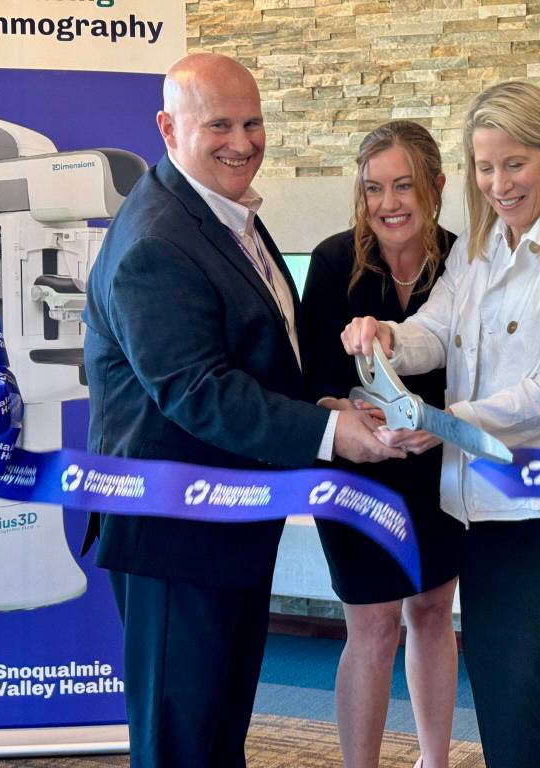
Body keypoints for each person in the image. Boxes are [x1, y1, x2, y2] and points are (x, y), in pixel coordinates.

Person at [81, 53, 403, 768]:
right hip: (173, 535)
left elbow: (247, 354)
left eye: (253, 121)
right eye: (219, 124)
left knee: (218, 736)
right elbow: (195, 389)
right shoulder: (158, 241)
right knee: (179, 745)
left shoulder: (223, 211)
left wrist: (318, 402)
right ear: (168, 128)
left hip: (225, 524)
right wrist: (328, 433)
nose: (243, 140)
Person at [341, 81, 540, 768]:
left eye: (514, 164)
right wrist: (387, 334)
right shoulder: (480, 248)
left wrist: (446, 423)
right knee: (524, 685)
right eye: (485, 166)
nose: (498, 184)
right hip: (494, 504)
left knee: (528, 682)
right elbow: (434, 332)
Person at [300, 121, 461, 768]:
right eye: (373, 188)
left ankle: (435, 760)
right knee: (370, 625)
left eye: (404, 186)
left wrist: (439, 421)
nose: (389, 203)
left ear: (437, 187)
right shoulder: (334, 259)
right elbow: (311, 374)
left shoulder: (467, 264)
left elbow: (484, 375)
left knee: (430, 613)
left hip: (439, 466)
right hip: (355, 469)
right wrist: (343, 409)